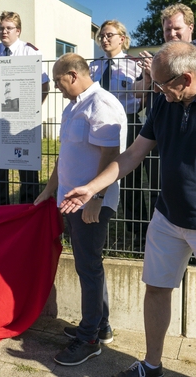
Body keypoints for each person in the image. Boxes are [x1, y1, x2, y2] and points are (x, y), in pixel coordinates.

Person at [61, 41, 196, 377]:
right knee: (155, 290)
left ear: (185, 78)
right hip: (167, 219)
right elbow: (131, 155)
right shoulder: (163, 105)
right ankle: (151, 365)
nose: (156, 91)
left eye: (162, 85)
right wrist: (92, 187)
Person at [34, 53, 127, 366]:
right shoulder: (73, 106)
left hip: (91, 204)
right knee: (88, 265)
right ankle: (99, 326)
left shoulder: (101, 104)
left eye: (59, 82)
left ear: (72, 75)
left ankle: (89, 339)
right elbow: (66, 155)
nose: (57, 88)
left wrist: (96, 199)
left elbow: (111, 154)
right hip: (71, 200)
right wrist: (49, 190)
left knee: (88, 266)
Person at [134, 4, 196, 246]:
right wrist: (150, 77)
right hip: (159, 131)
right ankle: (157, 236)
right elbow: (139, 93)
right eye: (167, 29)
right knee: (160, 189)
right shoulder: (160, 58)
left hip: (191, 135)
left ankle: (193, 242)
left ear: (190, 28)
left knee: (188, 187)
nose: (172, 34)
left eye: (177, 28)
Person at [89, 20, 147, 246]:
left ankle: (138, 232)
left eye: (109, 35)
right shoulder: (93, 67)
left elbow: (144, 96)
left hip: (127, 124)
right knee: (99, 170)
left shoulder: (135, 65)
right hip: (99, 125)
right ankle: (97, 220)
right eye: (101, 36)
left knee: (129, 178)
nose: (104, 39)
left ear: (122, 39)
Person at [0, 10, 50, 205]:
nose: (4, 32)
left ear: (18, 31)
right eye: (1, 28)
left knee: (26, 163)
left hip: (23, 119)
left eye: (9, 28)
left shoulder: (30, 52)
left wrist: (31, 111)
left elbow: (44, 86)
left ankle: (28, 204)